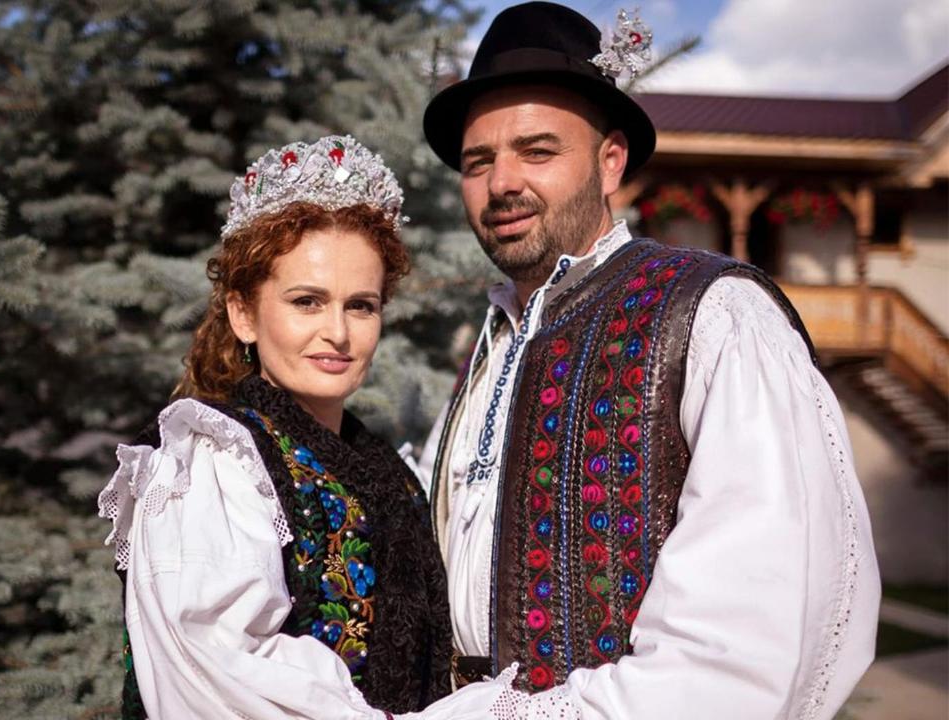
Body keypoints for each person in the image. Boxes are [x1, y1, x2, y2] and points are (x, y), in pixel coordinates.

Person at [414, 3, 882, 718]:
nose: (502, 181)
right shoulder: (492, 346)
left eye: (538, 152)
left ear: (610, 161)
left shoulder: (713, 315)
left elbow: (751, 632)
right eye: (479, 162)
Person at [97, 135, 452, 719]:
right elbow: (226, 676)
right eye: (307, 301)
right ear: (243, 313)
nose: (338, 332)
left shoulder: (384, 468)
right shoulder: (212, 462)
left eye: (360, 305)